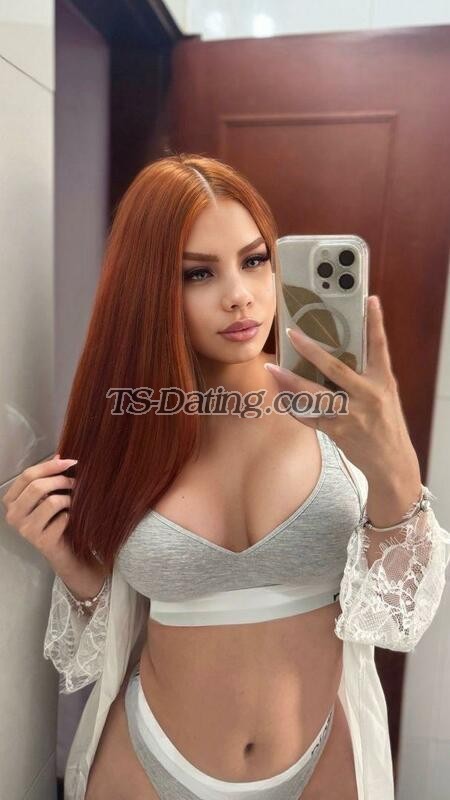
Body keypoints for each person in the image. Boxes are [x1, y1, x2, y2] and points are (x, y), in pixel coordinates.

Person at [3, 153, 450, 800]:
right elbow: (95, 652)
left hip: (322, 759)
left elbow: (398, 618)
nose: (239, 294)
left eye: (255, 259)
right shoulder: (126, 428)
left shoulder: (342, 416)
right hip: (147, 764)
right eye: (199, 273)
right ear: (149, 287)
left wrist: (393, 460)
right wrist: (74, 568)